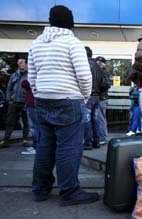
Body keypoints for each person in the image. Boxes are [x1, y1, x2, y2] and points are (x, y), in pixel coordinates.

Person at [28, 5, 99, 206]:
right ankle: (69, 192)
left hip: (43, 100)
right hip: (69, 100)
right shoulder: (72, 43)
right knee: (69, 147)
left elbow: (32, 76)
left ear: (50, 21)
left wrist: (40, 93)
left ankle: (40, 189)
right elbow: (85, 76)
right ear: (70, 23)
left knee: (45, 146)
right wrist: (83, 97)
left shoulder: (36, 43)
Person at [0, 58, 29, 148]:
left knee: (26, 122)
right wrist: (9, 100)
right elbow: (9, 88)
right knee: (9, 121)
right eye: (18, 62)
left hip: (24, 102)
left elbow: (31, 90)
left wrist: (27, 102)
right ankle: (5, 140)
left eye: (21, 62)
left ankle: (25, 140)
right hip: (14, 102)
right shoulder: (14, 75)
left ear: (26, 64)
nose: (19, 64)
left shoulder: (30, 75)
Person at [83, 47, 104, 150]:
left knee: (86, 119)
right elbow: (103, 83)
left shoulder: (86, 65)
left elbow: (83, 80)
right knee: (94, 120)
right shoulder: (97, 66)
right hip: (96, 95)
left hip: (88, 95)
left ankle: (88, 143)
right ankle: (96, 141)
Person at [95, 56, 110, 145]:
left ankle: (103, 137)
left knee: (100, 119)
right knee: (99, 118)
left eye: (101, 63)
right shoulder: (101, 72)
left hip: (102, 98)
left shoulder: (104, 72)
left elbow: (106, 85)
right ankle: (101, 137)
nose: (99, 65)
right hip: (100, 98)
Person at [20, 79, 37, 155]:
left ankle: (36, 147)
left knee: (34, 127)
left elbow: (24, 83)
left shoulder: (35, 76)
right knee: (35, 127)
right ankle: (36, 146)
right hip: (34, 103)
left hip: (33, 104)